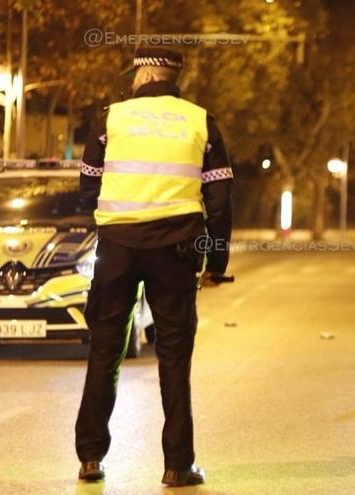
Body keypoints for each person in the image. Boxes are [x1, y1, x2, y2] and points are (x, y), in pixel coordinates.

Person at [75, 47, 233, 487]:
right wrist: (216, 261)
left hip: (119, 247)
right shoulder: (200, 120)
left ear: (143, 74)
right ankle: (177, 465)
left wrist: (112, 220)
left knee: (105, 351)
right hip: (177, 251)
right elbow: (220, 202)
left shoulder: (111, 119)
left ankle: (90, 458)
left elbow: (88, 188)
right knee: (174, 358)